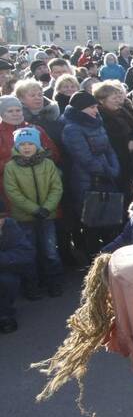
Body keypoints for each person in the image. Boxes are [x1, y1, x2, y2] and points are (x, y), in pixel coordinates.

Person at [3, 127, 63, 298]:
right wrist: (34, 209)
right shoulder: (11, 167)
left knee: (50, 251)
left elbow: (56, 187)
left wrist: (46, 208)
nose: (27, 147)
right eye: (22, 144)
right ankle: (32, 285)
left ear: (37, 145)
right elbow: (12, 192)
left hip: (47, 215)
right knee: (28, 252)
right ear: (17, 146)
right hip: (23, 217)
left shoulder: (48, 164)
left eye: (30, 143)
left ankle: (54, 282)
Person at [62, 91, 121, 254]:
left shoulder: (97, 123)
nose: (96, 110)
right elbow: (84, 158)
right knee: (91, 224)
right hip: (86, 181)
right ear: (80, 109)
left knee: (110, 222)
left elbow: (109, 149)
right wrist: (108, 170)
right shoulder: (72, 129)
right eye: (92, 107)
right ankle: (93, 261)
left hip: (106, 177)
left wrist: (114, 168)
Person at [0, 199, 35, 334]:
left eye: (1, 218)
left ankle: (5, 315)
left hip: (4, 269)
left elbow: (27, 253)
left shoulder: (10, 226)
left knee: (8, 281)